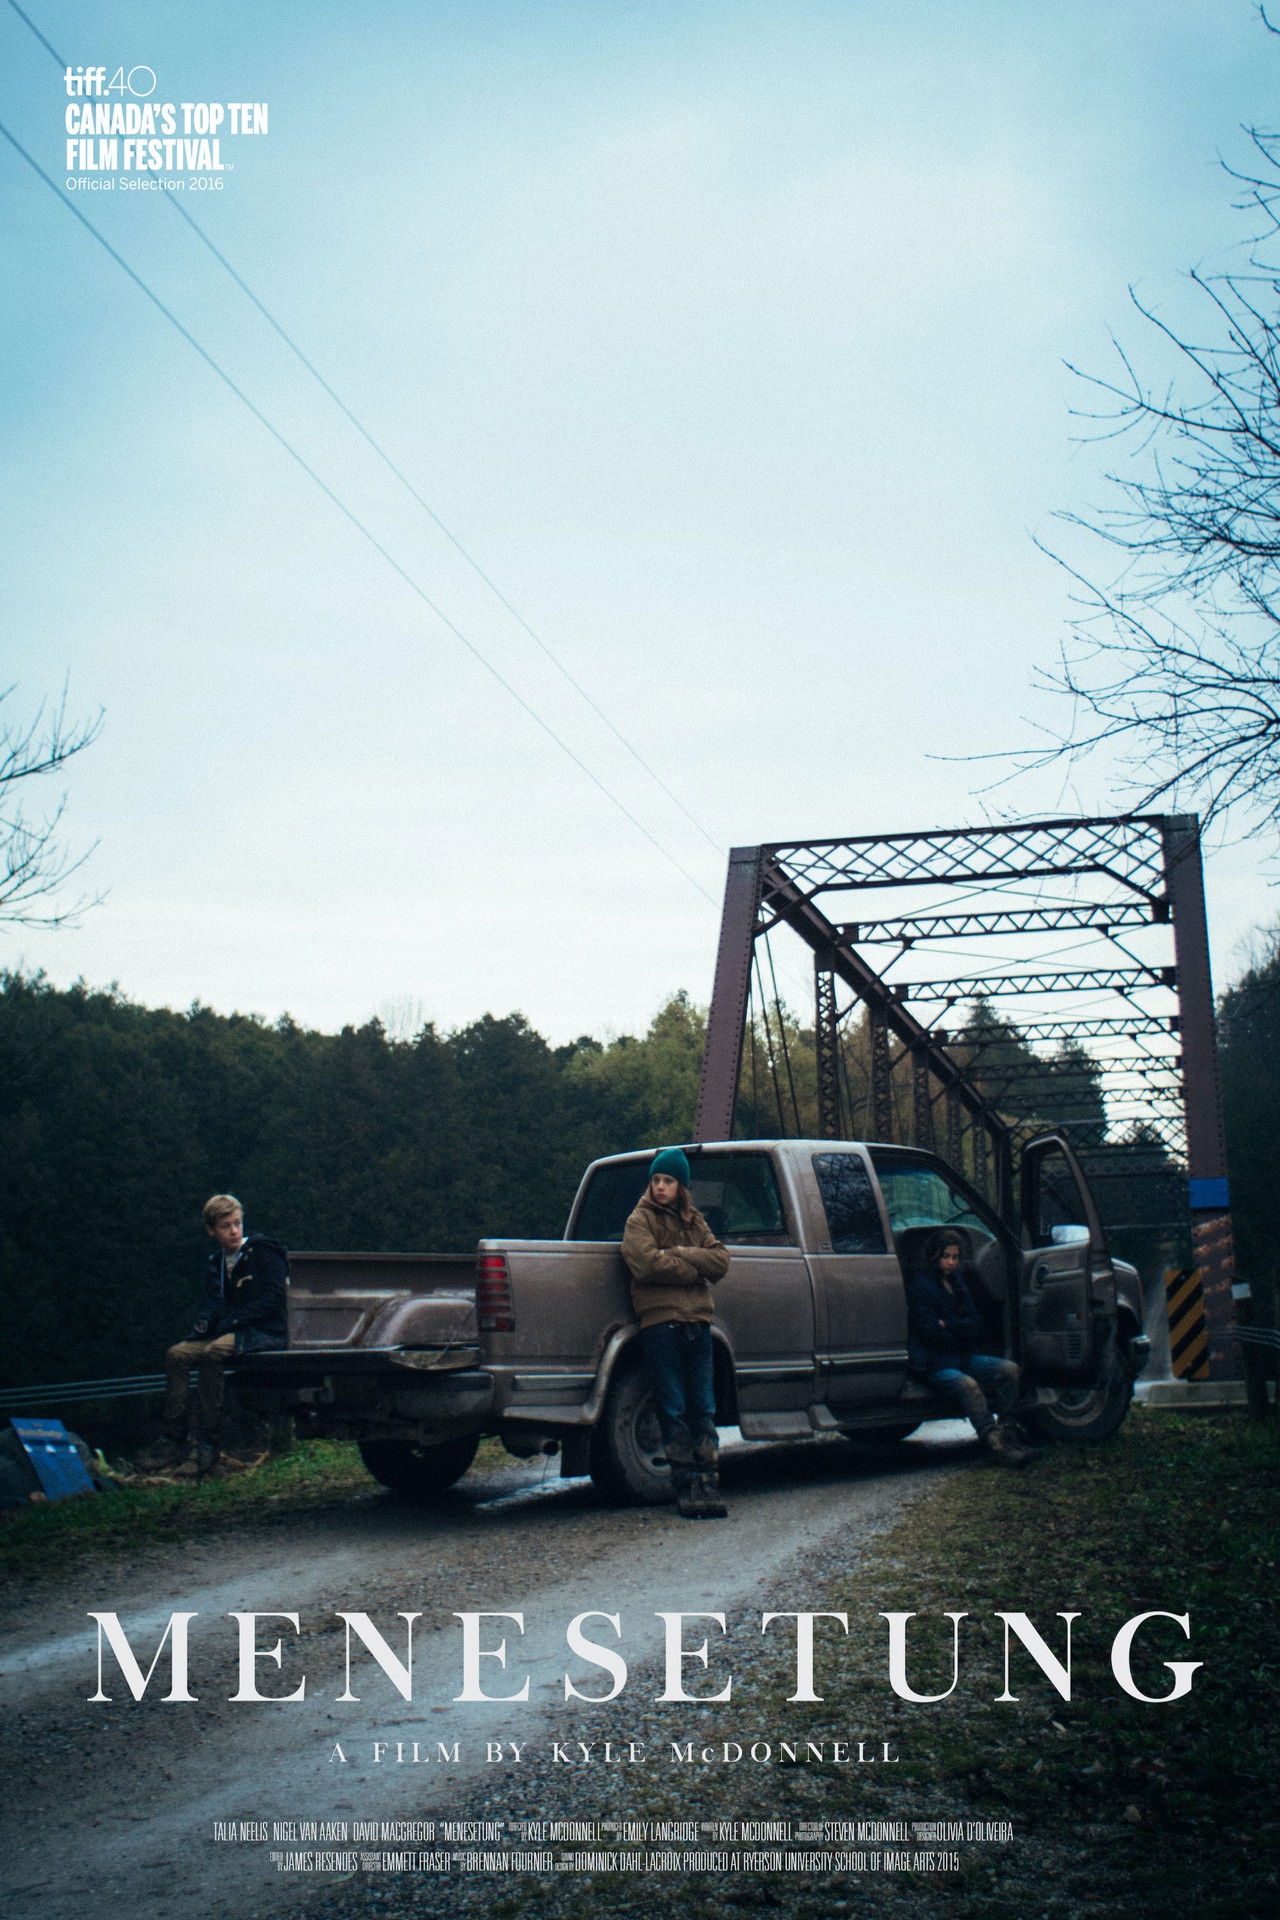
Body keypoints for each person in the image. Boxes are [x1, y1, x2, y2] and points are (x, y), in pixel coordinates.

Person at [140, 1194, 289, 1476]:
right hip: (230, 1330)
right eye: (225, 1226)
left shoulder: (262, 1252)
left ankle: (209, 1440)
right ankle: (174, 1436)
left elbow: (275, 1298)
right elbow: (213, 1303)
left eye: (237, 1223)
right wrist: (205, 1324)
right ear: (211, 1230)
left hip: (262, 1331)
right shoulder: (216, 1262)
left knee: (213, 1353)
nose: (234, 1231)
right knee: (177, 1354)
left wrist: (234, 1320)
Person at [621, 1147, 731, 1518]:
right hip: (660, 1324)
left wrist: (681, 1251)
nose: (661, 1187)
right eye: (656, 1180)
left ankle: (708, 1482)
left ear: (681, 1186)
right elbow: (646, 1264)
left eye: (668, 1181)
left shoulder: (694, 1220)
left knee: (704, 1406)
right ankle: (684, 1484)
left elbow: (720, 1261)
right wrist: (692, 1268)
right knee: (673, 1407)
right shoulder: (639, 1220)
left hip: (697, 1323)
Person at [905, 1227, 1031, 1466]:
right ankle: (994, 1441)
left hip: (963, 1356)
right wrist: (958, 1329)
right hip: (936, 1363)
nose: (951, 1262)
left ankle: (1009, 1430)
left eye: (955, 1257)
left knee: (1010, 1370)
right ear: (934, 1256)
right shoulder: (921, 1286)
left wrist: (949, 1325)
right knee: (967, 1385)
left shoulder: (958, 1283)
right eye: (946, 1257)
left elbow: (976, 1325)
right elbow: (930, 1332)